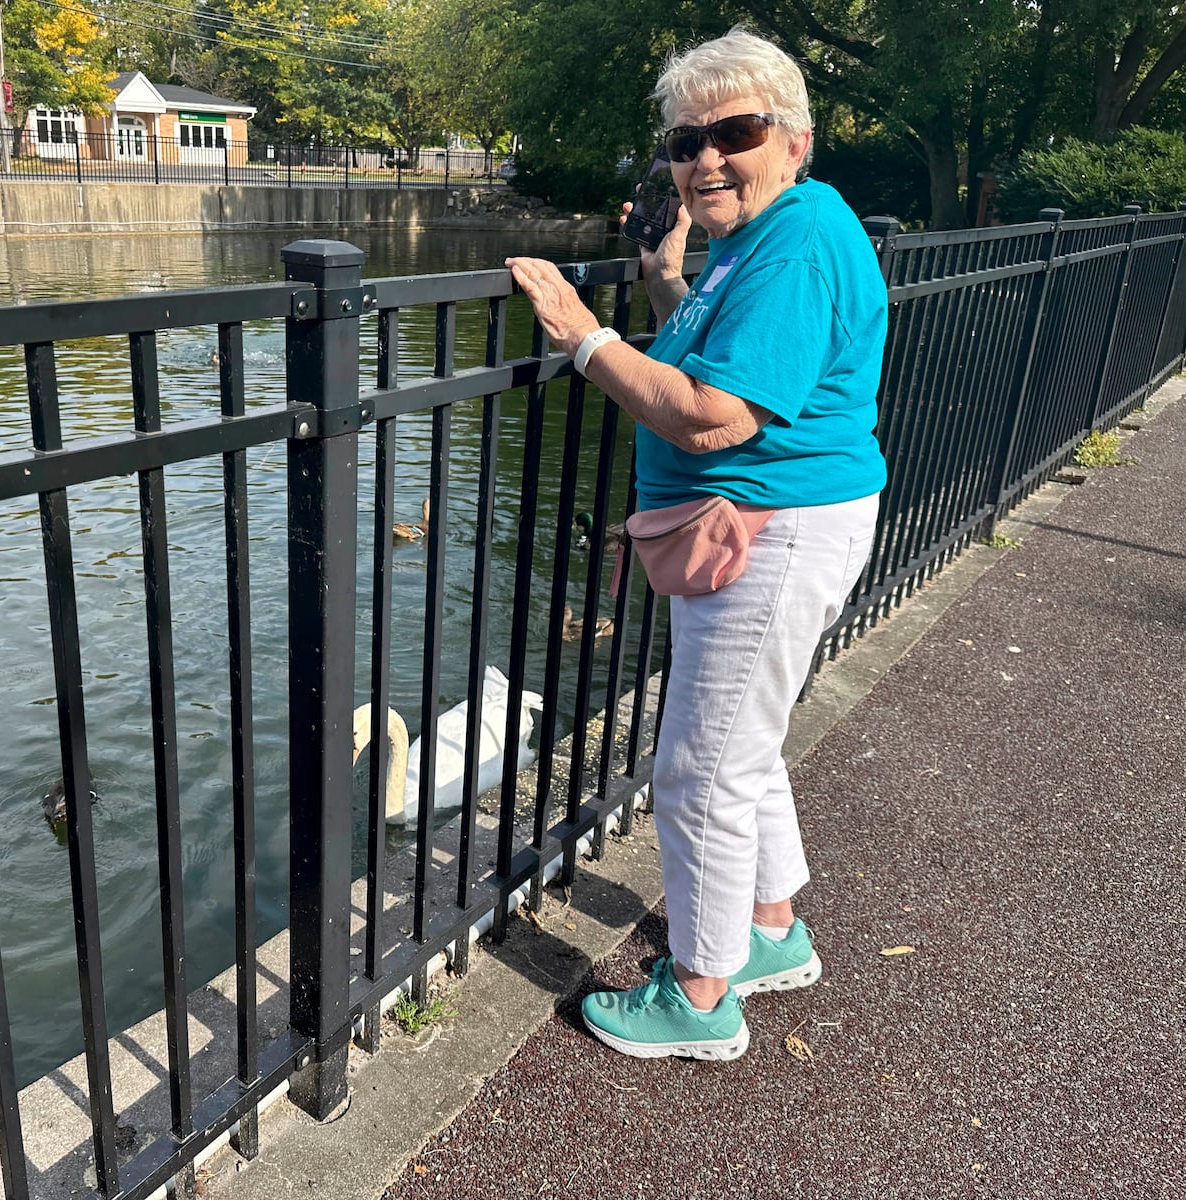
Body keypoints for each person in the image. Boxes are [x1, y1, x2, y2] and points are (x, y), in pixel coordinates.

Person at [506, 27, 888, 1061]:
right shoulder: (765, 239)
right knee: (741, 750)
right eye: (685, 141)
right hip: (764, 527)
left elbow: (718, 413)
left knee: (698, 772)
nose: (705, 158)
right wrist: (667, 284)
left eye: (734, 131)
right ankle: (769, 935)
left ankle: (701, 996)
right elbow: (734, 350)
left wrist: (584, 335)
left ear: (794, 138)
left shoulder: (799, 239)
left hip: (768, 531)